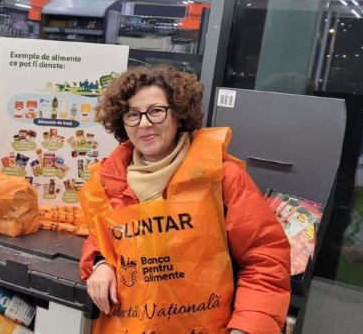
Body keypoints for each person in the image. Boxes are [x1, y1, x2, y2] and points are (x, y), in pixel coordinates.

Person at [79, 66, 291, 333]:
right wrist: (100, 263)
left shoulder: (222, 178)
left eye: (156, 111)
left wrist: (247, 328)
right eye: (133, 114)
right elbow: (99, 236)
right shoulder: (110, 181)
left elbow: (264, 258)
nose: (144, 123)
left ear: (179, 115)